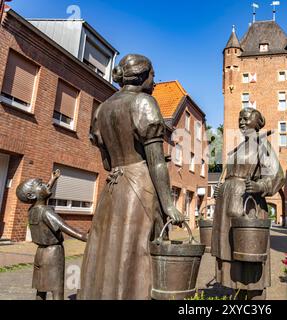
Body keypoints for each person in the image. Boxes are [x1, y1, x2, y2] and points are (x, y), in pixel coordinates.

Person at [78, 54, 184, 300]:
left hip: (113, 187)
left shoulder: (102, 109)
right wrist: (169, 205)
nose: (155, 81)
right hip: (140, 185)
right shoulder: (144, 103)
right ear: (141, 76)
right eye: (153, 75)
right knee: (137, 249)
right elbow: (157, 161)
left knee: (109, 248)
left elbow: (106, 163)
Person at [211, 108, 285, 300]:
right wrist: (223, 188)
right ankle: (238, 294)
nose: (241, 122)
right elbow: (230, 175)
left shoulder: (263, 146)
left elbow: (277, 175)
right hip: (228, 205)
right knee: (232, 255)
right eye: (239, 118)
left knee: (248, 252)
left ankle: (254, 297)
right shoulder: (238, 148)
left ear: (258, 121)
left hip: (247, 207)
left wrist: (260, 185)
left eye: (246, 118)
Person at [16, 170, 88, 300]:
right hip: (53, 253)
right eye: (40, 184)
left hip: (40, 253)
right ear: (31, 195)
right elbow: (66, 228)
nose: (45, 185)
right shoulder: (46, 212)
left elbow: (44, 192)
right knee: (57, 289)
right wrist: (84, 237)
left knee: (41, 288)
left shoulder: (32, 210)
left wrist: (53, 179)